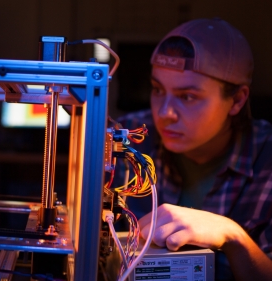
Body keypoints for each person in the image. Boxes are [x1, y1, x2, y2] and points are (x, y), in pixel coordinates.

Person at [116, 18, 272, 280]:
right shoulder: (129, 137)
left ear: (236, 100)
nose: (164, 113)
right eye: (157, 89)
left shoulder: (266, 159)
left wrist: (232, 236)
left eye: (187, 96)